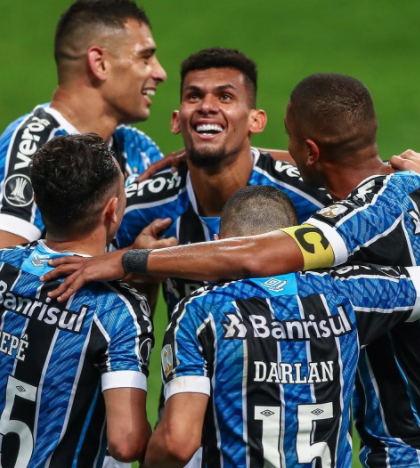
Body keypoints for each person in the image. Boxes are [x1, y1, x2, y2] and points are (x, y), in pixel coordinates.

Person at [44, 74, 420, 468]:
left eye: (290, 138)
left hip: (415, 461)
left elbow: (259, 258)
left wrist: (129, 261)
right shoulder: (416, 188)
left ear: (309, 150)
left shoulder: (361, 217)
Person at [141, 182, 420, 468]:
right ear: (290, 240)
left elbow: (176, 444)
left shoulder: (201, 311)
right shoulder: (344, 295)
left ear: (221, 243)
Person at [0, 134, 153, 468]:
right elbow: (126, 443)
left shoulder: (0, 269)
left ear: (37, 201)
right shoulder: (118, 311)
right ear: (113, 210)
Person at [114, 47, 331, 314]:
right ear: (176, 121)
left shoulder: (312, 196)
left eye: (225, 96)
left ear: (256, 120)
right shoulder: (141, 206)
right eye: (194, 96)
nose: (206, 106)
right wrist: (136, 266)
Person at [0, 0, 168, 280]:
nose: (160, 73)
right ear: (100, 63)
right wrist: (130, 262)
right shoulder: (33, 143)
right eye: (145, 57)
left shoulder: (141, 151)